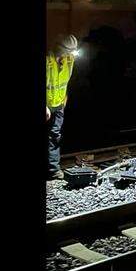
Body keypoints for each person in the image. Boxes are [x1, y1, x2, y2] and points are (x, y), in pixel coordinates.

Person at [46, 34, 79, 181]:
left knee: (54, 136)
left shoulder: (69, 60)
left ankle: (53, 170)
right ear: (59, 47)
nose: (70, 55)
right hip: (46, 105)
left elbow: (68, 81)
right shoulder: (47, 60)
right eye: (68, 51)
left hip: (59, 104)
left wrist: (64, 99)